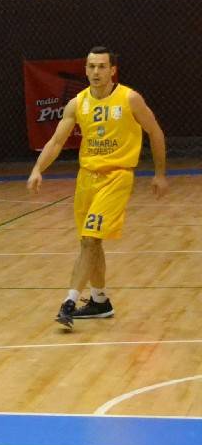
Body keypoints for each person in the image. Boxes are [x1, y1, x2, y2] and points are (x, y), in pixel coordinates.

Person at [27, 46, 168, 327]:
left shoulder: (130, 99)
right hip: (86, 179)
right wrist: (37, 169)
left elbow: (155, 131)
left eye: (102, 66)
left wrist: (160, 173)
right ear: (85, 69)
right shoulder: (77, 103)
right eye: (91, 66)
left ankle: (69, 301)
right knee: (89, 242)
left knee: (91, 239)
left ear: (112, 70)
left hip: (117, 177)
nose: (96, 72)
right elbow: (55, 142)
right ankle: (100, 301)